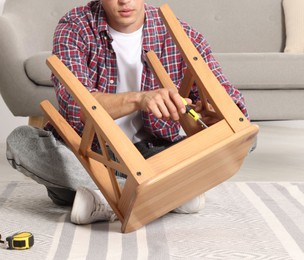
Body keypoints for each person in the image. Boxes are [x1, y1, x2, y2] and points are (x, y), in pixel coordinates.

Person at [6, 0, 249, 225]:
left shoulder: (180, 33)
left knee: (247, 136)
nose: (125, 1)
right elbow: (75, 107)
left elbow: (233, 104)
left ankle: (105, 198)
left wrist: (210, 120)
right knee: (21, 142)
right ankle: (166, 193)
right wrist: (140, 99)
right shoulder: (76, 26)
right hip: (90, 154)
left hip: (155, 153)